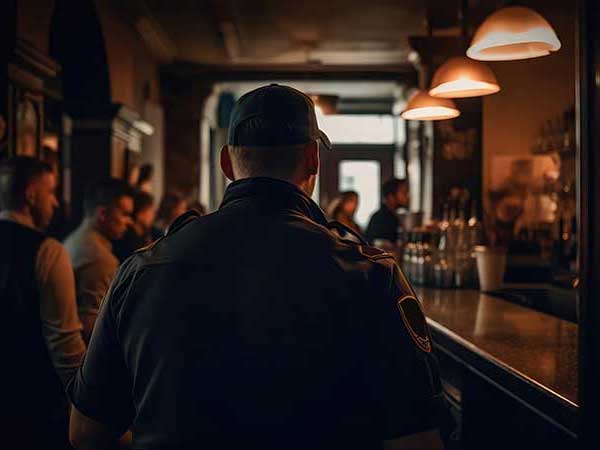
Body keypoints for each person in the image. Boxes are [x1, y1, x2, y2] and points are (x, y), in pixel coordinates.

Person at [67, 84, 449, 450]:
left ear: (226, 164)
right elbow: (417, 441)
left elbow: (85, 433)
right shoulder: (371, 276)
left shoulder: (142, 268)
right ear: (313, 159)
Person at [0, 156, 86, 449]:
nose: (55, 203)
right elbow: (64, 344)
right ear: (30, 195)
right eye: (50, 192)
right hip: (31, 402)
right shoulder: (48, 252)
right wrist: (88, 400)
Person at [64, 178, 134, 343]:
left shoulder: (78, 240)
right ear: (102, 214)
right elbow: (92, 325)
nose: (129, 222)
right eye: (125, 214)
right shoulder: (98, 257)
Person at [113, 190, 157, 262]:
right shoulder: (128, 240)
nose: (153, 215)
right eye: (151, 211)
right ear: (140, 214)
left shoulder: (143, 235)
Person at [366, 178, 409, 245]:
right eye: (404, 193)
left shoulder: (393, 216)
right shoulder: (380, 219)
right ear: (391, 196)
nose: (407, 197)